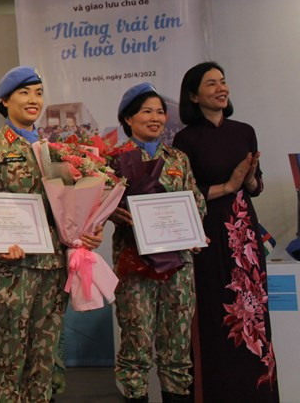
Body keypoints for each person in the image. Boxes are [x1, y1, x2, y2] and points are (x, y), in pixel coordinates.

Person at [0, 66, 101, 402]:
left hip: (51, 267)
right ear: (5, 101)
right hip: (10, 272)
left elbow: (70, 212)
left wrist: (87, 233)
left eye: (39, 93)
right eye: (25, 93)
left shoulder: (57, 152)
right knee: (9, 358)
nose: (34, 100)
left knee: (45, 360)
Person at [173, 62, 279, 402]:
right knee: (215, 314)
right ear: (193, 95)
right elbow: (184, 194)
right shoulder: (184, 139)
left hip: (244, 236)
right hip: (208, 233)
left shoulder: (244, 131)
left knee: (253, 315)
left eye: (223, 81)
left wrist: (248, 181)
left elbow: (255, 184)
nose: (222, 88)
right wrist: (228, 185)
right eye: (211, 84)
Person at [108, 83, 206, 403]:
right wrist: (115, 214)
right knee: (136, 344)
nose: (156, 118)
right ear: (128, 119)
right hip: (134, 262)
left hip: (178, 263)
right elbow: (97, 208)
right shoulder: (115, 161)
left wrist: (194, 229)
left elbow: (197, 203)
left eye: (160, 112)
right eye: (146, 111)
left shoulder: (178, 158)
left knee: (177, 347)